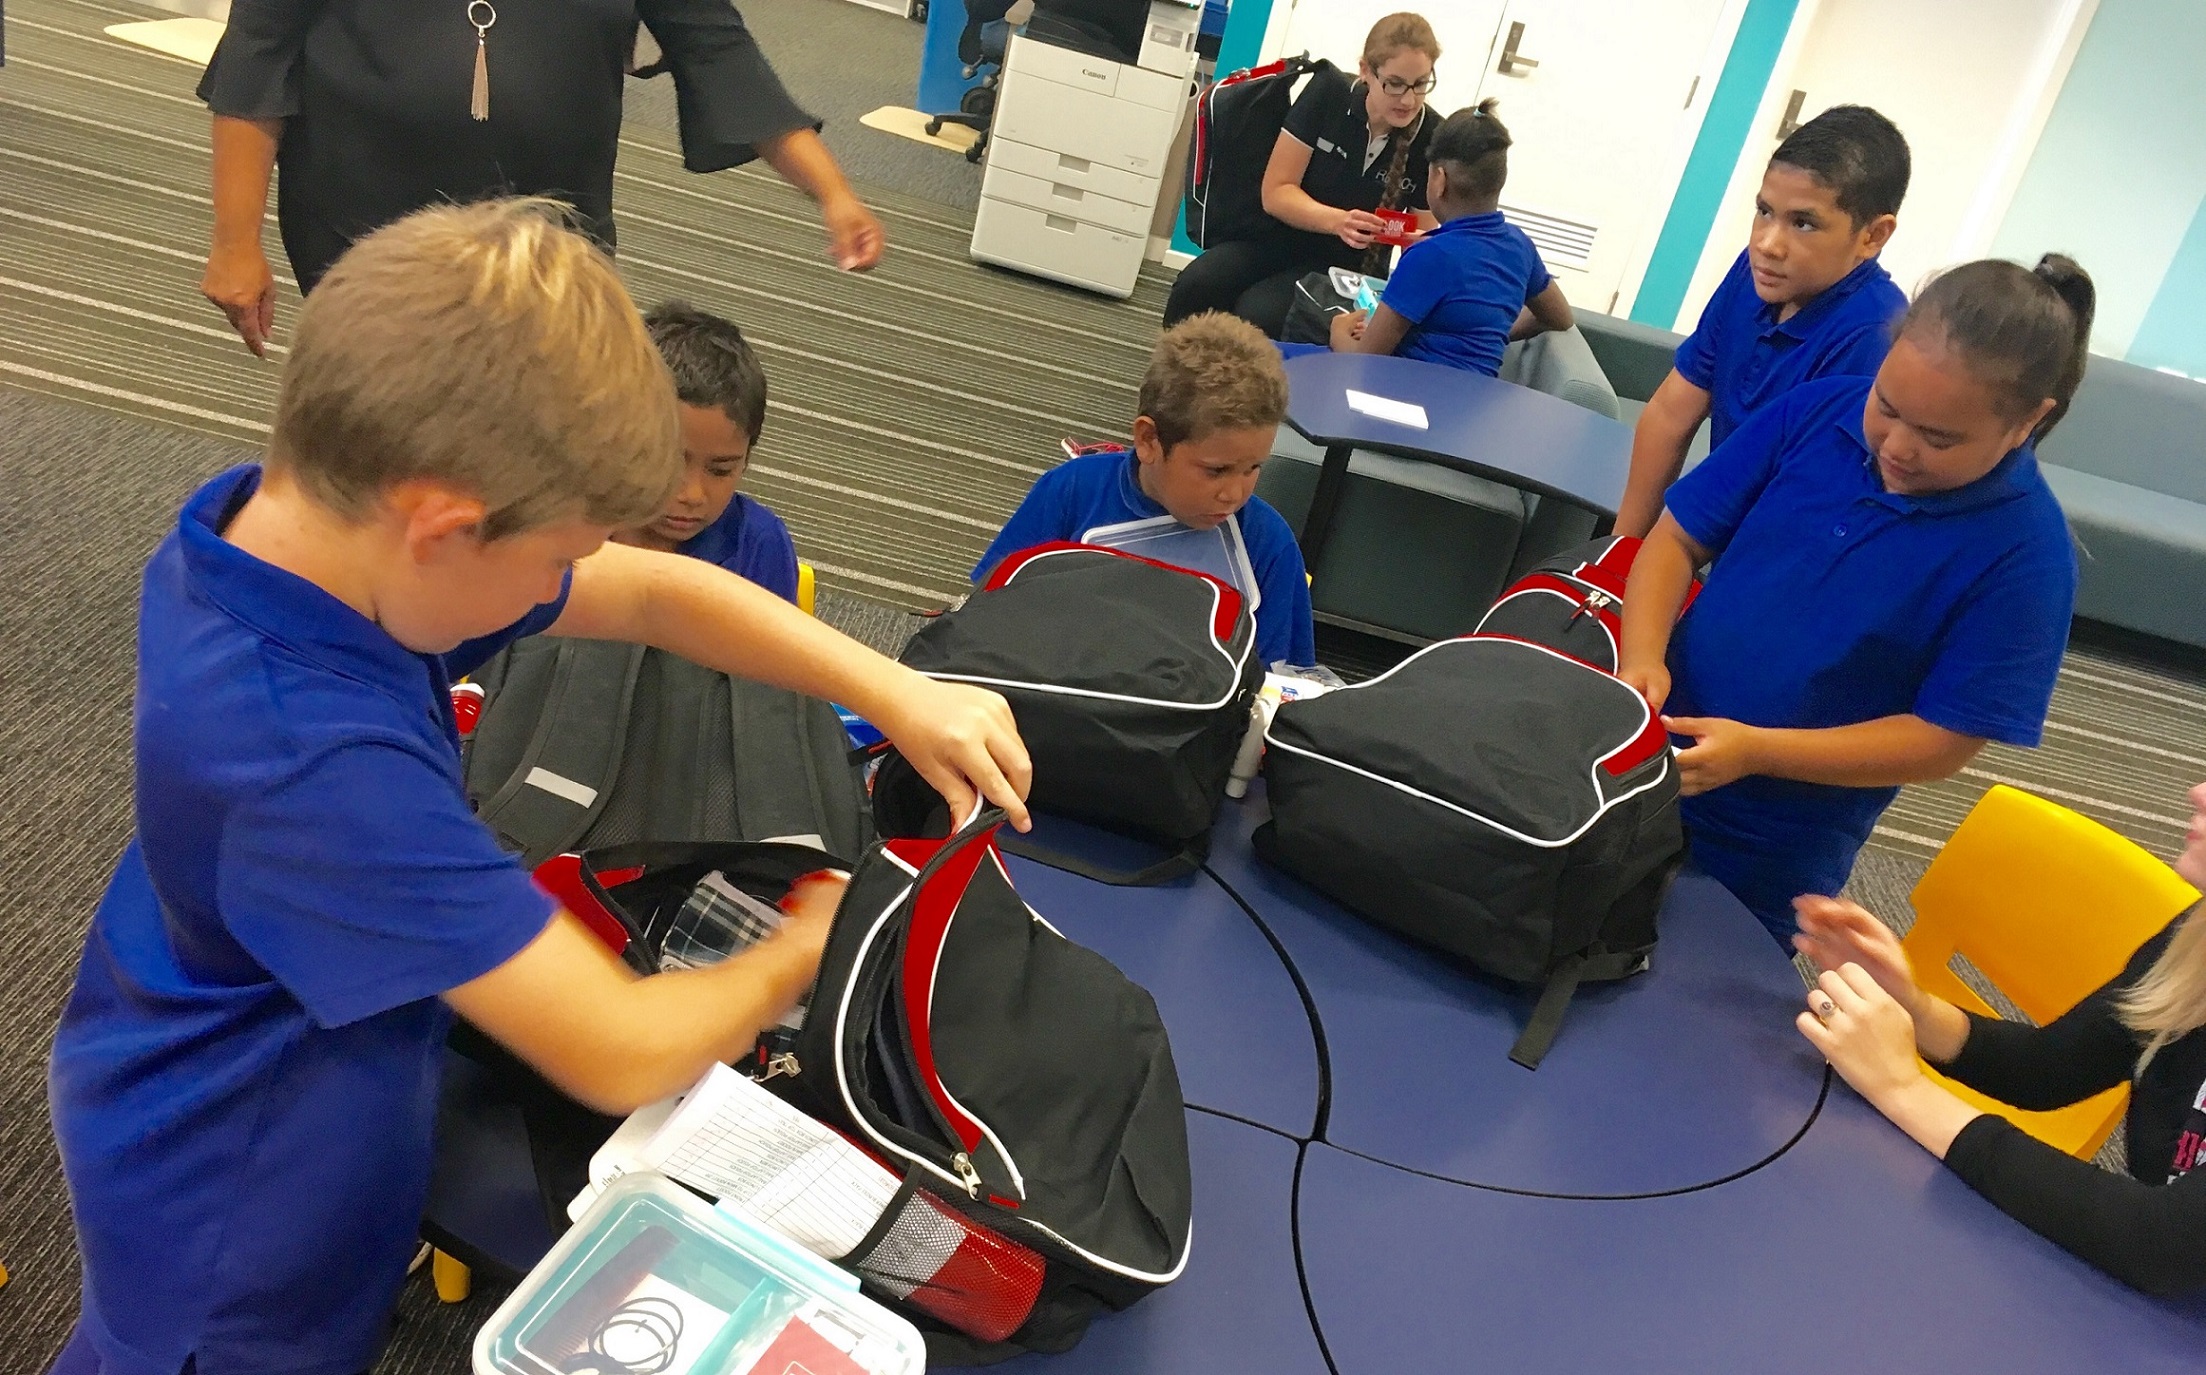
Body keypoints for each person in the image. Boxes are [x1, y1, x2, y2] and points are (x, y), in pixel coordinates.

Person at [43, 199, 1029, 1375]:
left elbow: (655, 595)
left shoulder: (289, 525)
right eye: (558, 560)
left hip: (241, 1036)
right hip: (235, 1212)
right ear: (445, 527)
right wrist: (802, 946)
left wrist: (898, 687)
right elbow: (614, 1047)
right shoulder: (309, 762)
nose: (575, 586)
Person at [1615, 257, 2090, 945]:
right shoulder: (1817, 410)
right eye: (1888, 406)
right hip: (1644, 766)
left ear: (2028, 422)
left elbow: (1942, 741)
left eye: (1938, 437)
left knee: (1693, 996)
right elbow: (1674, 542)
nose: (1897, 445)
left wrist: (1758, 751)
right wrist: (1643, 654)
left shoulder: (2028, 556)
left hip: (1774, 844)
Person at [198, 1, 886, 357]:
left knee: (520, 440)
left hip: (549, 240)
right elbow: (258, 51)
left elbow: (718, 49)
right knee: (374, 430)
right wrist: (235, 241)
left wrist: (832, 193)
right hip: (358, 223)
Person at [1790, 779, 2206, 1296]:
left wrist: (1901, 1089)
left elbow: (2161, 1246)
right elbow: (2049, 1070)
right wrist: (1913, 1008)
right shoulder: (2196, 942)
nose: (2197, 791)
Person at [1612, 105, 1911, 538]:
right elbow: (1669, 415)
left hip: (1778, 551)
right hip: (1717, 531)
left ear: (1873, 236)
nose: (1767, 243)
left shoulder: (1873, 333)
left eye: (1803, 223)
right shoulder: (1752, 277)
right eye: (1764, 211)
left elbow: (1804, 508)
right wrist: (1619, 553)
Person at [973, 312, 1315, 667]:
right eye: (1216, 471)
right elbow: (987, 614)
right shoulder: (1071, 491)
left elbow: (1280, 682)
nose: (1234, 493)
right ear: (1149, 440)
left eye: (1253, 468)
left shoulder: (1269, 544)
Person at [1162, 13, 1441, 337]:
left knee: (1258, 313)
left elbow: (1420, 244)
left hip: (1349, 268)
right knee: (1198, 283)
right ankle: (1172, 376)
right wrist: (1339, 221)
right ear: (1366, 70)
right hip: (1276, 237)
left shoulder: (1432, 136)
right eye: (1394, 84)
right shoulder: (1328, 92)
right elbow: (1277, 191)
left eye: (1421, 83)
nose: (1409, 99)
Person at [1325, 99, 1573, 374]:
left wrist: (1337, 332)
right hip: (1472, 399)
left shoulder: (1430, 255)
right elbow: (1560, 317)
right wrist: (1487, 332)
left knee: (1288, 355)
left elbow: (1363, 362)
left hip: (1409, 395)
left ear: (1440, 180)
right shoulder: (1519, 245)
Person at [615, 301, 800, 604]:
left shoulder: (758, 544)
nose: (692, 494)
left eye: (720, 470)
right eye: (669, 463)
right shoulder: (564, 521)